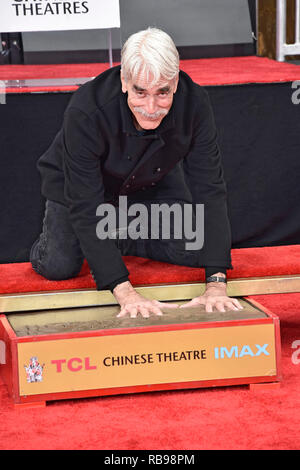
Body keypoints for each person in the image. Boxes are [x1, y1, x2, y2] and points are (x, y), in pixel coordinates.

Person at [30, 27, 243, 318]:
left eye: (163, 93)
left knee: (199, 248)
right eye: (140, 92)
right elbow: (85, 203)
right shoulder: (86, 110)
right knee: (59, 266)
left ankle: (114, 237)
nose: (151, 107)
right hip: (78, 188)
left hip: (147, 182)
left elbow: (210, 188)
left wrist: (216, 284)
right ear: (124, 81)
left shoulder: (196, 104)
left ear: (176, 82)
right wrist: (125, 291)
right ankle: (96, 239)